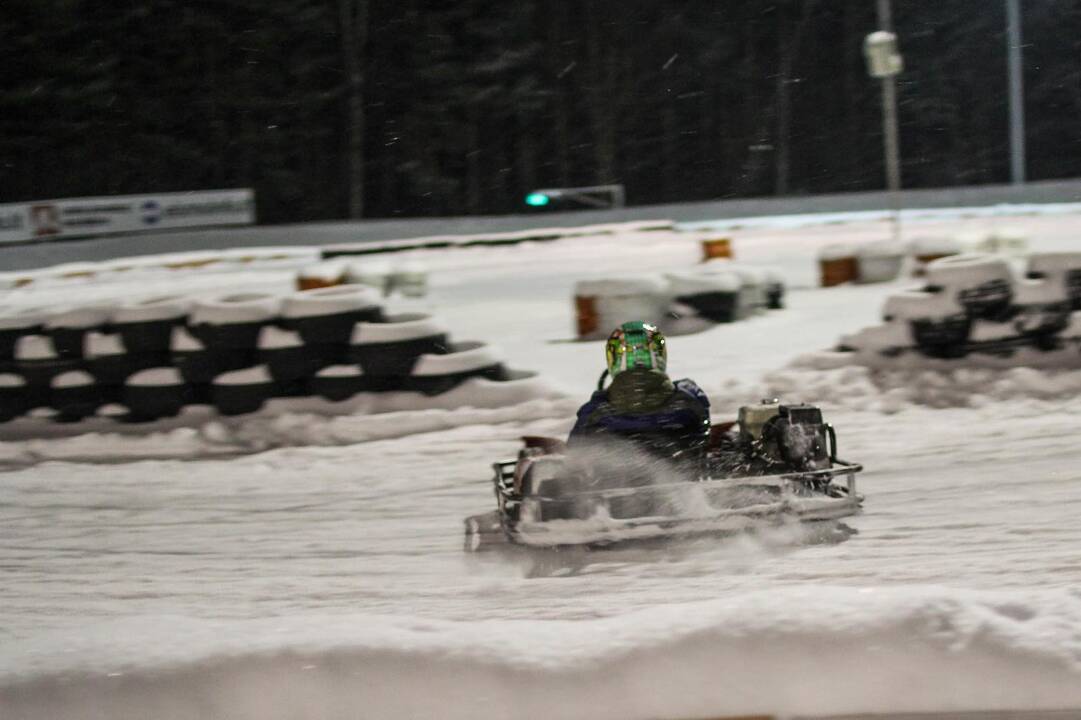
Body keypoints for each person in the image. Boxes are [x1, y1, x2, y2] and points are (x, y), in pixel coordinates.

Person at [567, 321, 711, 465]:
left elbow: (575, 453)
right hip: (682, 469)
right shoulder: (688, 399)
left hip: (613, 478)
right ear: (660, 355)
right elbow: (703, 436)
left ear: (613, 359)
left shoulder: (594, 412)